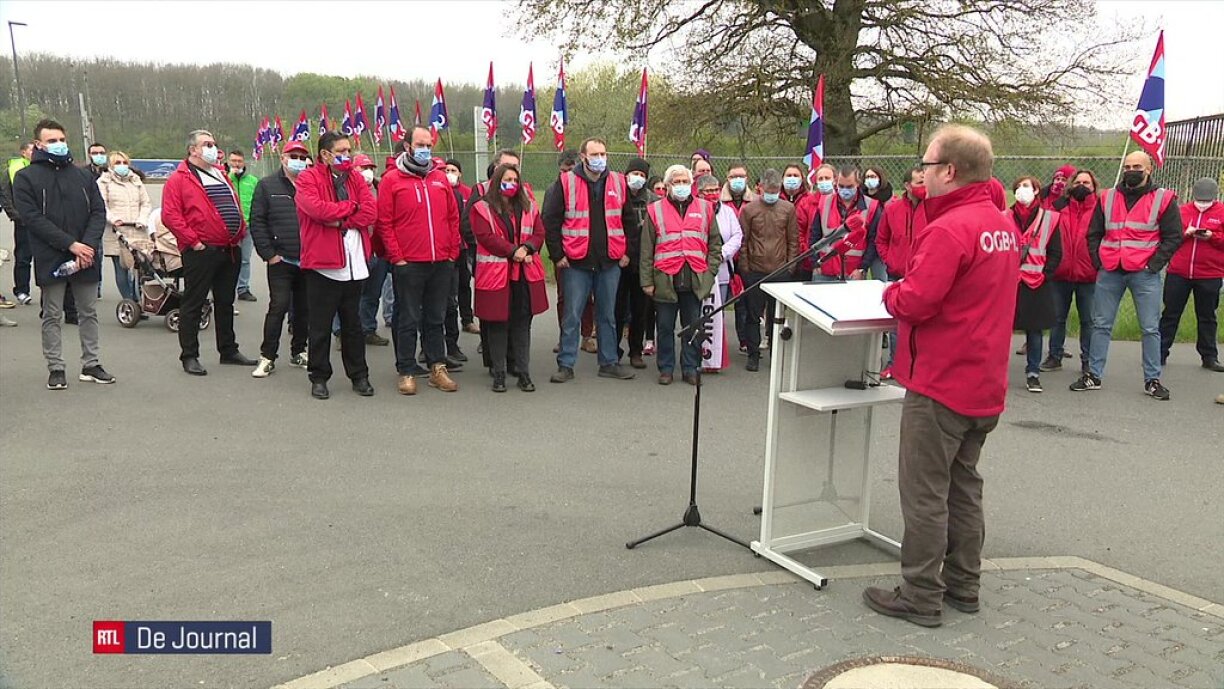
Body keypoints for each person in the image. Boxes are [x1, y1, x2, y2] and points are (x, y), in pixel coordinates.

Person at [863, 124, 1018, 628]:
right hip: (983, 384)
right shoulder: (1001, 224)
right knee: (963, 487)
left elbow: (917, 299)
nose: (922, 174)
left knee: (925, 493)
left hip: (941, 383)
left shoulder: (949, 229)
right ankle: (964, 585)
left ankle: (920, 594)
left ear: (950, 171)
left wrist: (889, 293)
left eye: (927, 165)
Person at [1071, 151, 1182, 400]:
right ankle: (1093, 375)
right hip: (1110, 270)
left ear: (1149, 169)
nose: (1131, 170)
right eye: (1128, 166)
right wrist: (1098, 262)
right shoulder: (1107, 197)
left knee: (1150, 328)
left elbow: (1174, 236)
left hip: (1144, 273)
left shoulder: (1163, 199)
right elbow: (1093, 233)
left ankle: (1152, 380)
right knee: (1101, 325)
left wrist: (1153, 265)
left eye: (1137, 167)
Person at [12, 118, 113, 389]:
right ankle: (56, 367)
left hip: (86, 255)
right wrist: (70, 244)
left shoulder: (82, 175)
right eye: (51, 140)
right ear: (38, 144)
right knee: (52, 314)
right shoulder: (26, 177)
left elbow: (97, 211)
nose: (58, 145)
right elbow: (32, 218)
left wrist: (87, 245)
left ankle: (91, 363)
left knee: (88, 311)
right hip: (52, 255)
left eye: (61, 139)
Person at [542, 137, 640, 383]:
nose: (600, 159)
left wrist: (628, 252)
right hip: (576, 262)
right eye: (594, 154)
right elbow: (551, 221)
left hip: (610, 262)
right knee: (572, 315)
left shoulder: (618, 181)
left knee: (607, 315)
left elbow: (629, 222)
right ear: (583, 157)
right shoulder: (566, 182)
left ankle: (608, 362)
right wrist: (557, 255)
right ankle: (566, 364)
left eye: (603, 154)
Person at [161, 129, 257, 376]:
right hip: (201, 251)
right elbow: (170, 215)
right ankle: (189, 355)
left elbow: (233, 205)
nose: (213, 148)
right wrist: (194, 242)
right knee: (194, 302)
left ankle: (228, 350)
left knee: (225, 302)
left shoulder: (220, 174)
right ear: (193, 150)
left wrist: (240, 231)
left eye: (214, 143)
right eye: (207, 144)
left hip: (229, 249)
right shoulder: (179, 179)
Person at [376, 125, 462, 396]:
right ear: (408, 146)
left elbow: (452, 217)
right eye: (421, 144)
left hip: (441, 262)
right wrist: (397, 257)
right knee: (408, 318)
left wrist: (451, 251)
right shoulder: (392, 180)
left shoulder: (438, 178)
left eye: (429, 144)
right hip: (409, 264)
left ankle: (437, 367)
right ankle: (407, 370)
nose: (426, 149)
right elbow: (384, 222)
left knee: (436, 317)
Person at [295, 131, 378, 399]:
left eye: (349, 150)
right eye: (341, 151)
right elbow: (317, 210)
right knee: (320, 325)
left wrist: (344, 217)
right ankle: (319, 376)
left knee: (353, 325)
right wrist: (351, 209)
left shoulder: (354, 177)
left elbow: (370, 211)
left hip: (354, 263)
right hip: (324, 265)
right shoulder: (308, 178)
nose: (348, 155)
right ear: (325, 155)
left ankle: (359, 375)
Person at [640, 165, 723, 385]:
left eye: (684, 181)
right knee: (665, 327)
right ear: (667, 186)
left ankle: (690, 368)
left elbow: (715, 246)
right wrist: (647, 281)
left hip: (695, 280)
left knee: (693, 327)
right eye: (676, 182)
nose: (681, 186)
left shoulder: (705, 208)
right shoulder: (654, 210)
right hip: (665, 279)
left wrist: (709, 274)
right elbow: (647, 250)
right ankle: (666, 368)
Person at [469, 164, 549, 392]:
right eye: (507, 179)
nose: (512, 184)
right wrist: (513, 251)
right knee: (498, 326)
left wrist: (527, 247)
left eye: (515, 180)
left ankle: (524, 373)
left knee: (522, 325)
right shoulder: (481, 208)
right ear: (496, 181)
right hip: (496, 276)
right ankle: (499, 373)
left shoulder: (529, 206)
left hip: (523, 275)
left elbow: (539, 233)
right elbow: (485, 237)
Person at [249, 139, 311, 378]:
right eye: (293, 156)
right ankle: (268, 356)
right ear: (283, 158)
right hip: (281, 260)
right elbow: (257, 221)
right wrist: (269, 254)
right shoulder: (267, 185)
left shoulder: (312, 185)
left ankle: (299, 351)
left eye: (302, 157)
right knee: (279, 306)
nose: (298, 161)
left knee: (304, 309)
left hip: (308, 260)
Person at [1159, 178, 1224, 372]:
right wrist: (1186, 233)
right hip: (1179, 271)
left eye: (1206, 200)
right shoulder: (1181, 211)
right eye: (1200, 200)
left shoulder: (1222, 212)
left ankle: (1209, 356)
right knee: (1170, 313)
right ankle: (1160, 353)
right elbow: (1168, 237)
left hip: (1210, 272)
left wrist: (1213, 236)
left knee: (1207, 316)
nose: (1202, 204)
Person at [736, 168, 797, 373]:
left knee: (776, 315)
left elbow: (793, 240)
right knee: (753, 315)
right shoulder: (749, 210)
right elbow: (742, 240)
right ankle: (753, 354)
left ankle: (775, 353)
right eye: (769, 189)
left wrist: (790, 265)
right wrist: (745, 267)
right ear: (760, 187)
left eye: (776, 190)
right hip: (755, 269)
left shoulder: (788, 209)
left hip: (780, 270)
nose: (772, 193)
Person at [1009, 176, 1062, 393]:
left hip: (1036, 282)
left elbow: (1056, 252)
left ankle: (1033, 373)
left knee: (1035, 330)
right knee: (1003, 331)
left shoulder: (1050, 219)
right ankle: (995, 373)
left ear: (1037, 190)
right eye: (1018, 186)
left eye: (1026, 186)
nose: (1021, 190)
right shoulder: (1004, 216)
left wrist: (1045, 274)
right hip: (1010, 283)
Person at [1043, 169, 1099, 374]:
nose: (1082, 186)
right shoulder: (1059, 208)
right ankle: (1054, 356)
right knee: (1057, 317)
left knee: (1088, 320)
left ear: (1094, 187)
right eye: (1078, 182)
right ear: (1070, 185)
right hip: (1061, 272)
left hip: (1089, 274)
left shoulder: (1100, 210)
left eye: (1087, 183)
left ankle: (1088, 360)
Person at [875, 165, 928, 378]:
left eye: (925, 182)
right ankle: (894, 365)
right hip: (896, 274)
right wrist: (891, 260)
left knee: (921, 324)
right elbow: (881, 239)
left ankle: (919, 367)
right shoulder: (892, 209)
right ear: (907, 185)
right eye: (918, 182)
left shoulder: (934, 208)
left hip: (922, 275)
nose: (923, 186)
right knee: (896, 325)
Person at [543, 149, 596, 355]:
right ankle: (564, 336)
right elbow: (548, 222)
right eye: (563, 170)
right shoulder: (553, 190)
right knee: (565, 298)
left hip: (587, 253)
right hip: (564, 255)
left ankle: (587, 335)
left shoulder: (587, 187)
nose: (567, 174)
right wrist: (557, 254)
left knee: (588, 298)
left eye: (570, 170)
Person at [698, 173, 742, 372]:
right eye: (708, 191)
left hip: (721, 271)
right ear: (699, 193)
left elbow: (737, 236)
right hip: (698, 270)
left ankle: (714, 357)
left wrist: (720, 255)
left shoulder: (728, 212)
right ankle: (696, 354)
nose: (713, 194)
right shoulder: (695, 210)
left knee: (717, 314)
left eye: (716, 190)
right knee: (697, 314)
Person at [809, 166, 884, 281]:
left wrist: (862, 268)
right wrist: (814, 263)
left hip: (853, 273)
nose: (845, 190)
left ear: (858, 183)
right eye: (841, 186)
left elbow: (873, 241)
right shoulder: (824, 203)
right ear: (836, 183)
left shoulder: (871, 207)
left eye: (849, 187)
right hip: (824, 270)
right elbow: (814, 235)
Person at [97, 151, 152, 304]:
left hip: (137, 229)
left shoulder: (136, 181)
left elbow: (145, 203)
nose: (122, 166)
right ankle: (128, 301)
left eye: (124, 163)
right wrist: (114, 219)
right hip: (116, 231)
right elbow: (102, 205)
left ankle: (138, 299)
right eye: (117, 163)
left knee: (139, 268)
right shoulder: (104, 182)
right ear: (111, 165)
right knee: (121, 267)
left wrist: (142, 219)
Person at [352, 153, 393, 347]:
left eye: (370, 167)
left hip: (378, 249)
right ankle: (344, 332)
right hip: (356, 249)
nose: (367, 172)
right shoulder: (348, 189)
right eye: (362, 167)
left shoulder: (380, 187)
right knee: (350, 294)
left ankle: (368, 329)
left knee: (372, 293)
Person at [618, 157, 652, 369]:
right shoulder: (617, 197)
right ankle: (613, 350)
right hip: (620, 260)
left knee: (640, 310)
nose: (637, 178)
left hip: (644, 262)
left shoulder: (653, 200)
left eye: (641, 175)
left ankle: (636, 351)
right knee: (617, 309)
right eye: (634, 174)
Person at [720, 163, 757, 354]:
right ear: (727, 178)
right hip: (723, 258)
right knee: (720, 301)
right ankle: (718, 341)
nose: (737, 180)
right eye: (734, 176)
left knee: (743, 302)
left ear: (747, 178)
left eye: (741, 176)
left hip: (745, 258)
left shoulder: (754, 201)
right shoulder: (719, 201)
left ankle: (744, 340)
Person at [446, 158, 477, 334]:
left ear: (460, 174)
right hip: (447, 247)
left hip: (464, 247)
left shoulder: (467, 192)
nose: (450, 174)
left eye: (453, 170)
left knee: (464, 284)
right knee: (448, 289)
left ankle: (467, 320)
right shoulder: (442, 190)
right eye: (447, 170)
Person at [3, 142, 34, 305]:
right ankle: (22, 290)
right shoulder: (12, 169)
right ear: (23, 152)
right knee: (23, 257)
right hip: (24, 221)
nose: (34, 152)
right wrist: (16, 216)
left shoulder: (41, 167)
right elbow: (5, 195)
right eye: (31, 150)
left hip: (44, 220)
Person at [227, 149, 259, 302]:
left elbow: (258, 203)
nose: (236, 164)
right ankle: (226, 288)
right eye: (233, 161)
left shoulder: (253, 181)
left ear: (244, 162)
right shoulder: (225, 179)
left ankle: (243, 288)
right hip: (229, 228)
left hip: (248, 227)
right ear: (228, 161)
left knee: (245, 259)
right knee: (228, 260)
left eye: (239, 161)